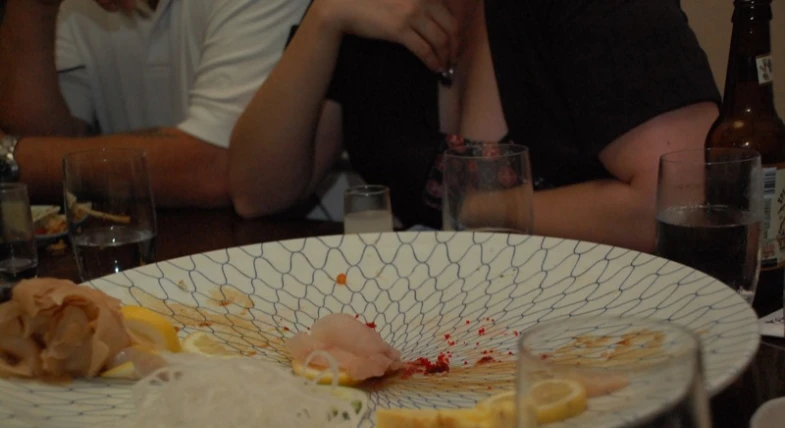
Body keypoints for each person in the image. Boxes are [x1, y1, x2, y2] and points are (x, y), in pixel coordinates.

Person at [229, 0, 720, 253]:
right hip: (440, 336)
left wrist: (476, 209)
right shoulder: (368, 11)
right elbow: (258, 192)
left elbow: (682, 199)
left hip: (600, 331)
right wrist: (324, 18)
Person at [0, 0, 308, 207]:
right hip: (138, 239)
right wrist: (33, 7)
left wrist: (14, 158)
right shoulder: (73, 7)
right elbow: (42, 135)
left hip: (294, 250)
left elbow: (218, 166)